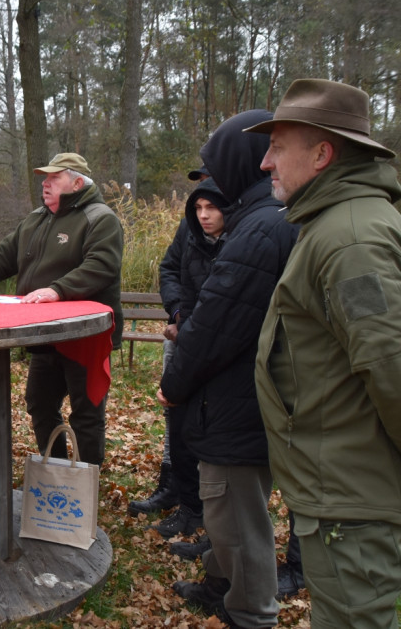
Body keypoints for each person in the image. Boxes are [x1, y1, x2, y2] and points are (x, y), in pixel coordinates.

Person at [249, 79, 401, 629]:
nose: (266, 162)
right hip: (340, 487)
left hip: (351, 499)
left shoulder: (351, 242)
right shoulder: (334, 225)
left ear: (322, 154)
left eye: (278, 146)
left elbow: (395, 370)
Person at [158, 110, 297, 628]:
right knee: (227, 509)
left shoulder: (258, 232)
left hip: (238, 403)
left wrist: (174, 385)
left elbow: (215, 326)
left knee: (235, 511)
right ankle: (220, 582)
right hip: (241, 396)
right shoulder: (262, 220)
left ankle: (250, 612)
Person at [0, 153, 124, 466]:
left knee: (86, 411)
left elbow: (102, 266)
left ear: (77, 182)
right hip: (45, 335)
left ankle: (88, 479)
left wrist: (58, 289)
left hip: (85, 335)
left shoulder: (101, 218)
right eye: (44, 178)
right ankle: (58, 468)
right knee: (39, 402)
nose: (45, 184)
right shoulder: (36, 218)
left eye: (53, 178)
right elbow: (4, 257)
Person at [128, 166, 209, 519]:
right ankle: (171, 485)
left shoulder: (245, 226)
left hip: (214, 340)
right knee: (172, 413)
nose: (204, 195)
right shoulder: (191, 223)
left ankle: (202, 501)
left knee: (205, 419)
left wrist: (197, 324)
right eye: (201, 186)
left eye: (211, 181)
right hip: (180, 334)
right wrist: (177, 315)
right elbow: (170, 268)